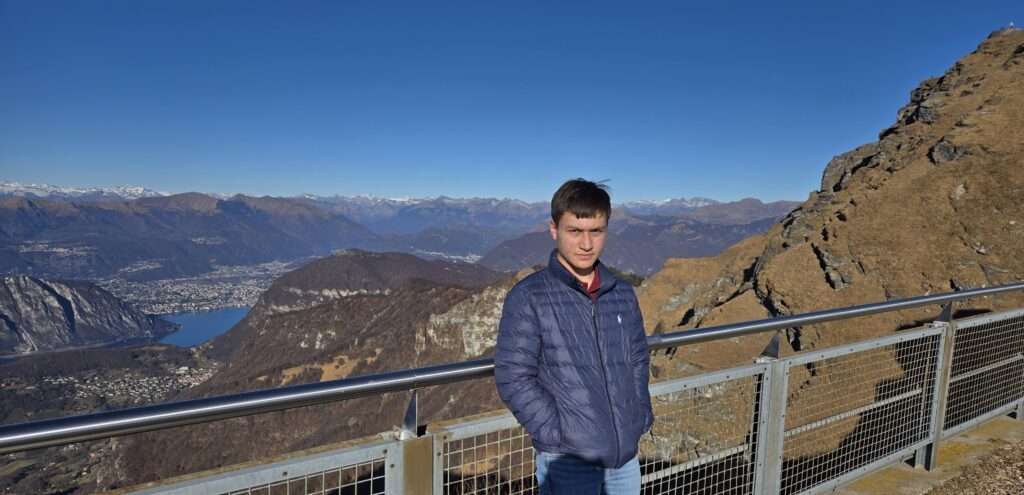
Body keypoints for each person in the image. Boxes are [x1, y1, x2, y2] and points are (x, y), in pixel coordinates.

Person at [494, 178, 653, 494]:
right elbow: (513, 376)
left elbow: (637, 359)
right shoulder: (529, 296)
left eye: (596, 232)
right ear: (554, 230)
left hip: (624, 458)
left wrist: (639, 415)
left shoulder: (621, 293)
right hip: (568, 460)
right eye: (575, 231)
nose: (586, 244)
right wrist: (557, 434)